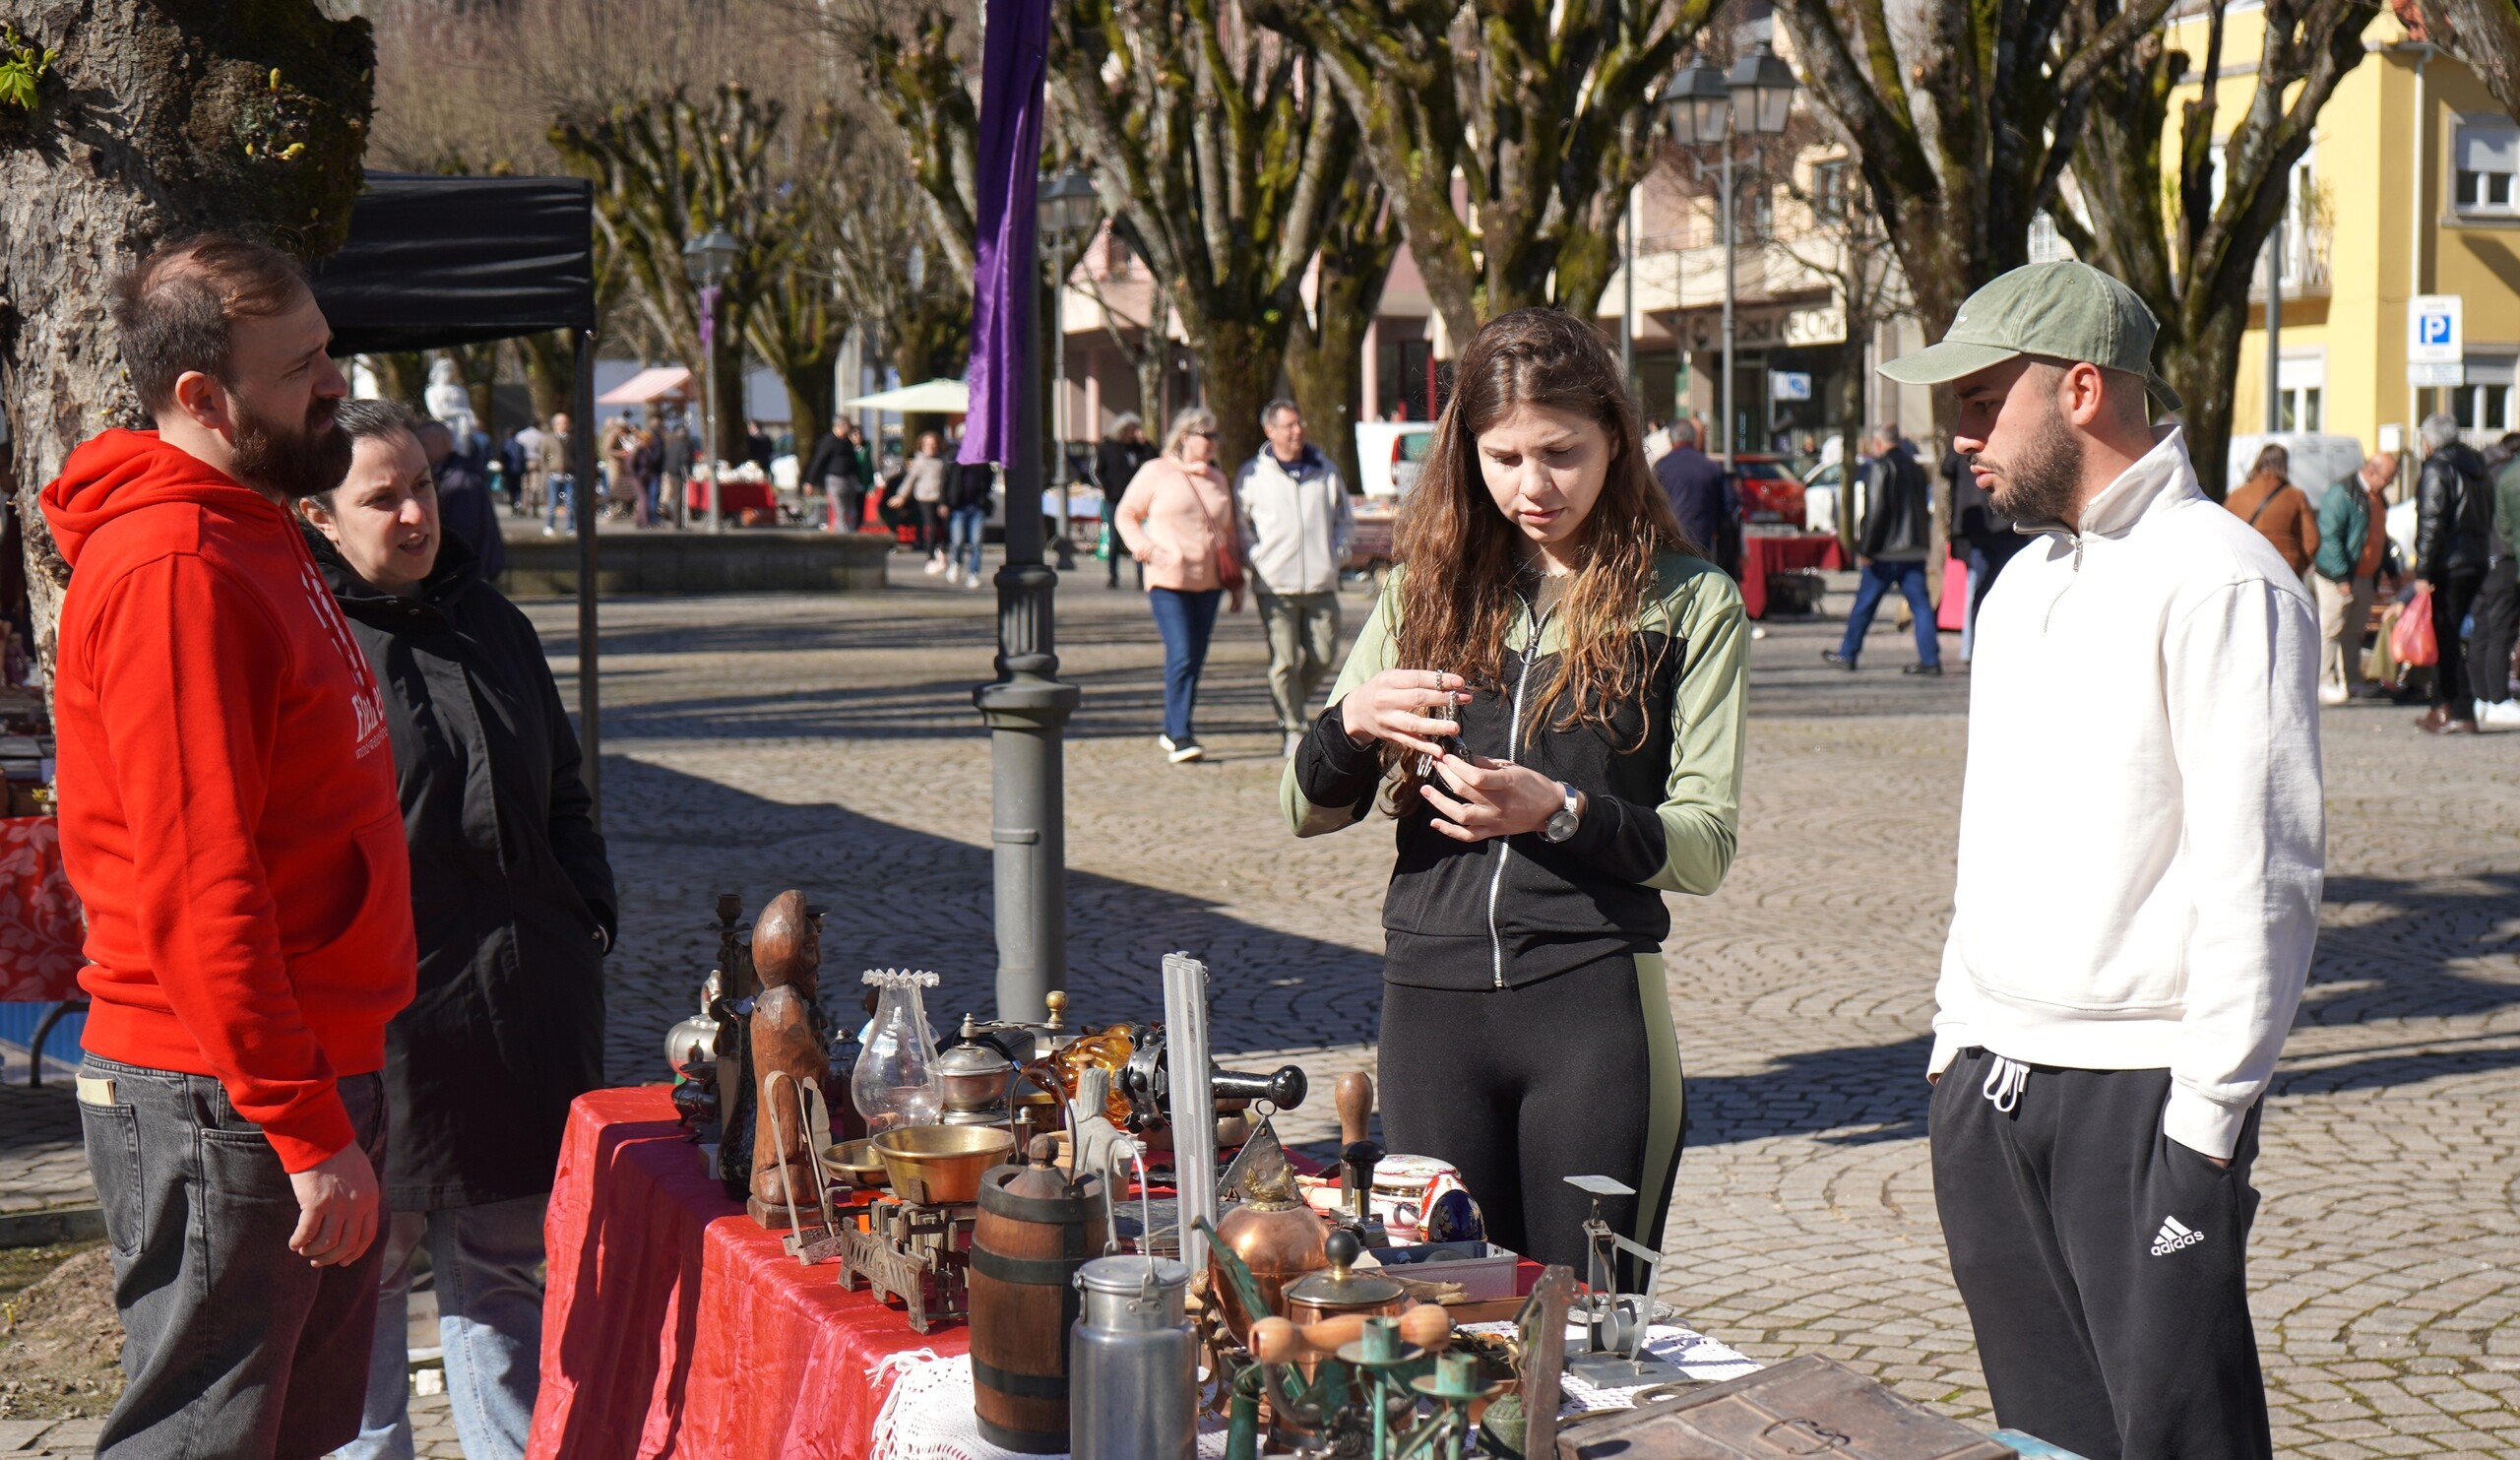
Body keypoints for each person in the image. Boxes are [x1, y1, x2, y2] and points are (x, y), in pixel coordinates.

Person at [1880, 260, 2321, 1460]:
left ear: (2079, 390)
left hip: (2139, 1094)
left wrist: (2206, 1125)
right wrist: (1953, 1044)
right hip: (1990, 1083)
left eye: (1981, 403)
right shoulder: (2019, 585)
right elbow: (1989, 837)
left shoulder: (2224, 579)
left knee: (2178, 1438)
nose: (1959, 436)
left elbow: (2261, 877)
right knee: (2044, 1439)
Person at [41, 233, 416, 1459]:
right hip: (227, 1092)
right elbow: (199, 889)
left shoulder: (250, 523)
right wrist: (304, 1126)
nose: (336, 382)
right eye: (301, 365)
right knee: (206, 1438)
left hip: (289, 1073)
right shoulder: (177, 568)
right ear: (202, 396)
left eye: (327, 349)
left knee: (288, 1434)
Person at [1282, 308, 1745, 1272]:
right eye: (1503, 457)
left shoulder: (1692, 601)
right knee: (1444, 1315)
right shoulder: (1421, 593)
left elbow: (1703, 846)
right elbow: (1304, 808)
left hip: (1592, 1007)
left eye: (1560, 452)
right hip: (1429, 1009)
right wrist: (1350, 720)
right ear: (1468, 454)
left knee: (1592, 1326)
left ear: (1615, 439)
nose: (1533, 486)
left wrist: (1561, 812)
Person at [296, 401, 615, 1460]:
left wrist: (584, 912)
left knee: (503, 1280)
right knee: (363, 1291)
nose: (413, 513)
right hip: (378, 1031)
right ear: (319, 515)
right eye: (381, 497)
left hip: (515, 1012)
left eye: (422, 486)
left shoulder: (494, 622)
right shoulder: (305, 636)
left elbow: (562, 788)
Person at [1115, 406, 1244, 763]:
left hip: (1210, 583)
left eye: (1216, 436)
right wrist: (1145, 549)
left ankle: (1171, 727)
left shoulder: (1217, 479)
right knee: (1182, 652)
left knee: (1195, 658)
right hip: (1168, 580)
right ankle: (1180, 733)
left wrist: (1237, 583)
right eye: (1207, 435)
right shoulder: (1156, 472)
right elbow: (1126, 513)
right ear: (1185, 437)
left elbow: (1229, 532)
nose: (1213, 442)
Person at [1236, 400, 1354, 756]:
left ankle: (1290, 703)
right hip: (1274, 584)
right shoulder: (1253, 475)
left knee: (1324, 655)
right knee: (1284, 660)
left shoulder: (1325, 470)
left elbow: (1344, 519)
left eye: (1299, 423)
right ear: (1270, 431)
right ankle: (1292, 725)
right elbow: (1241, 526)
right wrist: (1256, 558)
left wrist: (1337, 554)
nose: (1297, 430)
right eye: (1288, 425)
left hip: (1321, 580)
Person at [1824, 423, 1941, 674]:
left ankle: (1848, 653)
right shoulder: (1915, 468)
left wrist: (1866, 549)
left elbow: (1876, 511)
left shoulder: (1880, 467)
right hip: (1913, 548)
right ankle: (1931, 659)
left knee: (1865, 604)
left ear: (1878, 442)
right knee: (1921, 607)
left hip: (1885, 551)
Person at [2413, 412, 2496, 733]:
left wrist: (2423, 571)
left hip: (2448, 564)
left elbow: (2431, 522)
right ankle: (2444, 706)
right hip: (2476, 559)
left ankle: (2457, 710)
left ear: (2429, 442)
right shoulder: (2478, 467)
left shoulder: (2438, 468)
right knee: (2452, 636)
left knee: (2445, 638)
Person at [2310, 453, 2398, 706]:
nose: (2390, 484)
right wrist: (2340, 576)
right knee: (2331, 628)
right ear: (2371, 472)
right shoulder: (2341, 494)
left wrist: (2390, 570)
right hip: (2337, 577)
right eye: (2388, 478)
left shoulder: (2377, 497)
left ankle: (2351, 680)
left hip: (2364, 576)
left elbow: (2379, 537)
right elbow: (2330, 537)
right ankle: (2324, 681)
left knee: (2354, 631)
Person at [1947, 446, 2027, 665]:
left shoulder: (1969, 451)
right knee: (1982, 590)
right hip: (1995, 529)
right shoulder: (1971, 449)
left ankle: (1972, 648)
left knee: (1981, 590)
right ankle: (1973, 648)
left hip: (1993, 529)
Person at [416, 418, 507, 582]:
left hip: (469, 576)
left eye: (424, 444)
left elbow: (462, 535)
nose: (420, 450)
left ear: (445, 444)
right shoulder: (446, 476)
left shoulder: (462, 482)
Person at [1651, 417, 1739, 579]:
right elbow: (1729, 504)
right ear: (1694, 439)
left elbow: (1652, 504)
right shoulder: (1711, 467)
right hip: (1702, 541)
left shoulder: (1661, 466)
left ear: (1671, 440)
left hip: (1670, 542)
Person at [2224, 442, 2320, 578]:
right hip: (2287, 568)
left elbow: (2223, 533)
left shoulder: (2236, 495)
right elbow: (2312, 541)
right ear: (2284, 465)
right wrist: (2300, 563)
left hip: (2248, 568)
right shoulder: (2296, 496)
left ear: (2258, 463)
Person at [2480, 434, 2520, 725]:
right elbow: (2508, 529)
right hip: (2503, 559)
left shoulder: (2481, 475)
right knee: (2501, 632)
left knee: (2485, 630)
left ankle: (2483, 698)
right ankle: (2497, 699)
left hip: (2484, 558)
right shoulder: (2507, 476)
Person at [1098, 413, 1159, 589]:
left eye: (1135, 430)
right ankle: (1113, 575)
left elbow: (1155, 461)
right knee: (1115, 539)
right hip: (1114, 499)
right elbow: (1098, 471)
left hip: (1136, 499)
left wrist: (1145, 443)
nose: (1133, 434)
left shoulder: (1138, 448)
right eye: (1130, 431)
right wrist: (1108, 487)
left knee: (1138, 536)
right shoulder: (1107, 447)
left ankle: (1141, 576)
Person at [893, 431, 951, 572]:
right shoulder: (919, 462)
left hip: (941, 498)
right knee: (930, 527)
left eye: (933, 444)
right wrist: (901, 496)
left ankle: (941, 550)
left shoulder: (942, 461)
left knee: (945, 527)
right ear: (922, 446)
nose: (930, 447)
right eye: (927, 445)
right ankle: (930, 556)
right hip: (925, 498)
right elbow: (910, 480)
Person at [805, 418, 867, 533]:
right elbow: (818, 461)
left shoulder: (847, 442)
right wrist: (810, 481)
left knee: (852, 511)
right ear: (841, 426)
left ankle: (851, 532)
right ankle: (842, 535)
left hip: (850, 479)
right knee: (840, 511)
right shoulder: (829, 441)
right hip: (835, 479)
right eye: (847, 427)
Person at [945, 458, 993, 588]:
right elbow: (947, 481)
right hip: (958, 507)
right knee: (957, 540)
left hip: (977, 507)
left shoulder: (983, 463)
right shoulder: (956, 462)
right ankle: (956, 562)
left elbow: (988, 480)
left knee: (976, 542)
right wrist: (945, 502)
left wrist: (983, 497)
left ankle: (974, 573)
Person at [537, 412, 576, 537]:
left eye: (566, 423)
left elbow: (576, 456)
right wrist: (545, 473)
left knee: (570, 503)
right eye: (561, 423)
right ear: (555, 425)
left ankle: (570, 526)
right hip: (553, 475)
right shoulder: (547, 439)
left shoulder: (572, 439)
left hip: (569, 475)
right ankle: (550, 525)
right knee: (553, 503)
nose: (564, 425)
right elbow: (543, 458)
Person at [660, 409, 695, 530]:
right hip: (678, 473)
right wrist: (687, 474)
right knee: (679, 498)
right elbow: (684, 459)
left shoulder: (672, 443)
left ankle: (677, 522)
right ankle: (679, 523)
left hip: (670, 471)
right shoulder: (683, 444)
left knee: (675, 497)